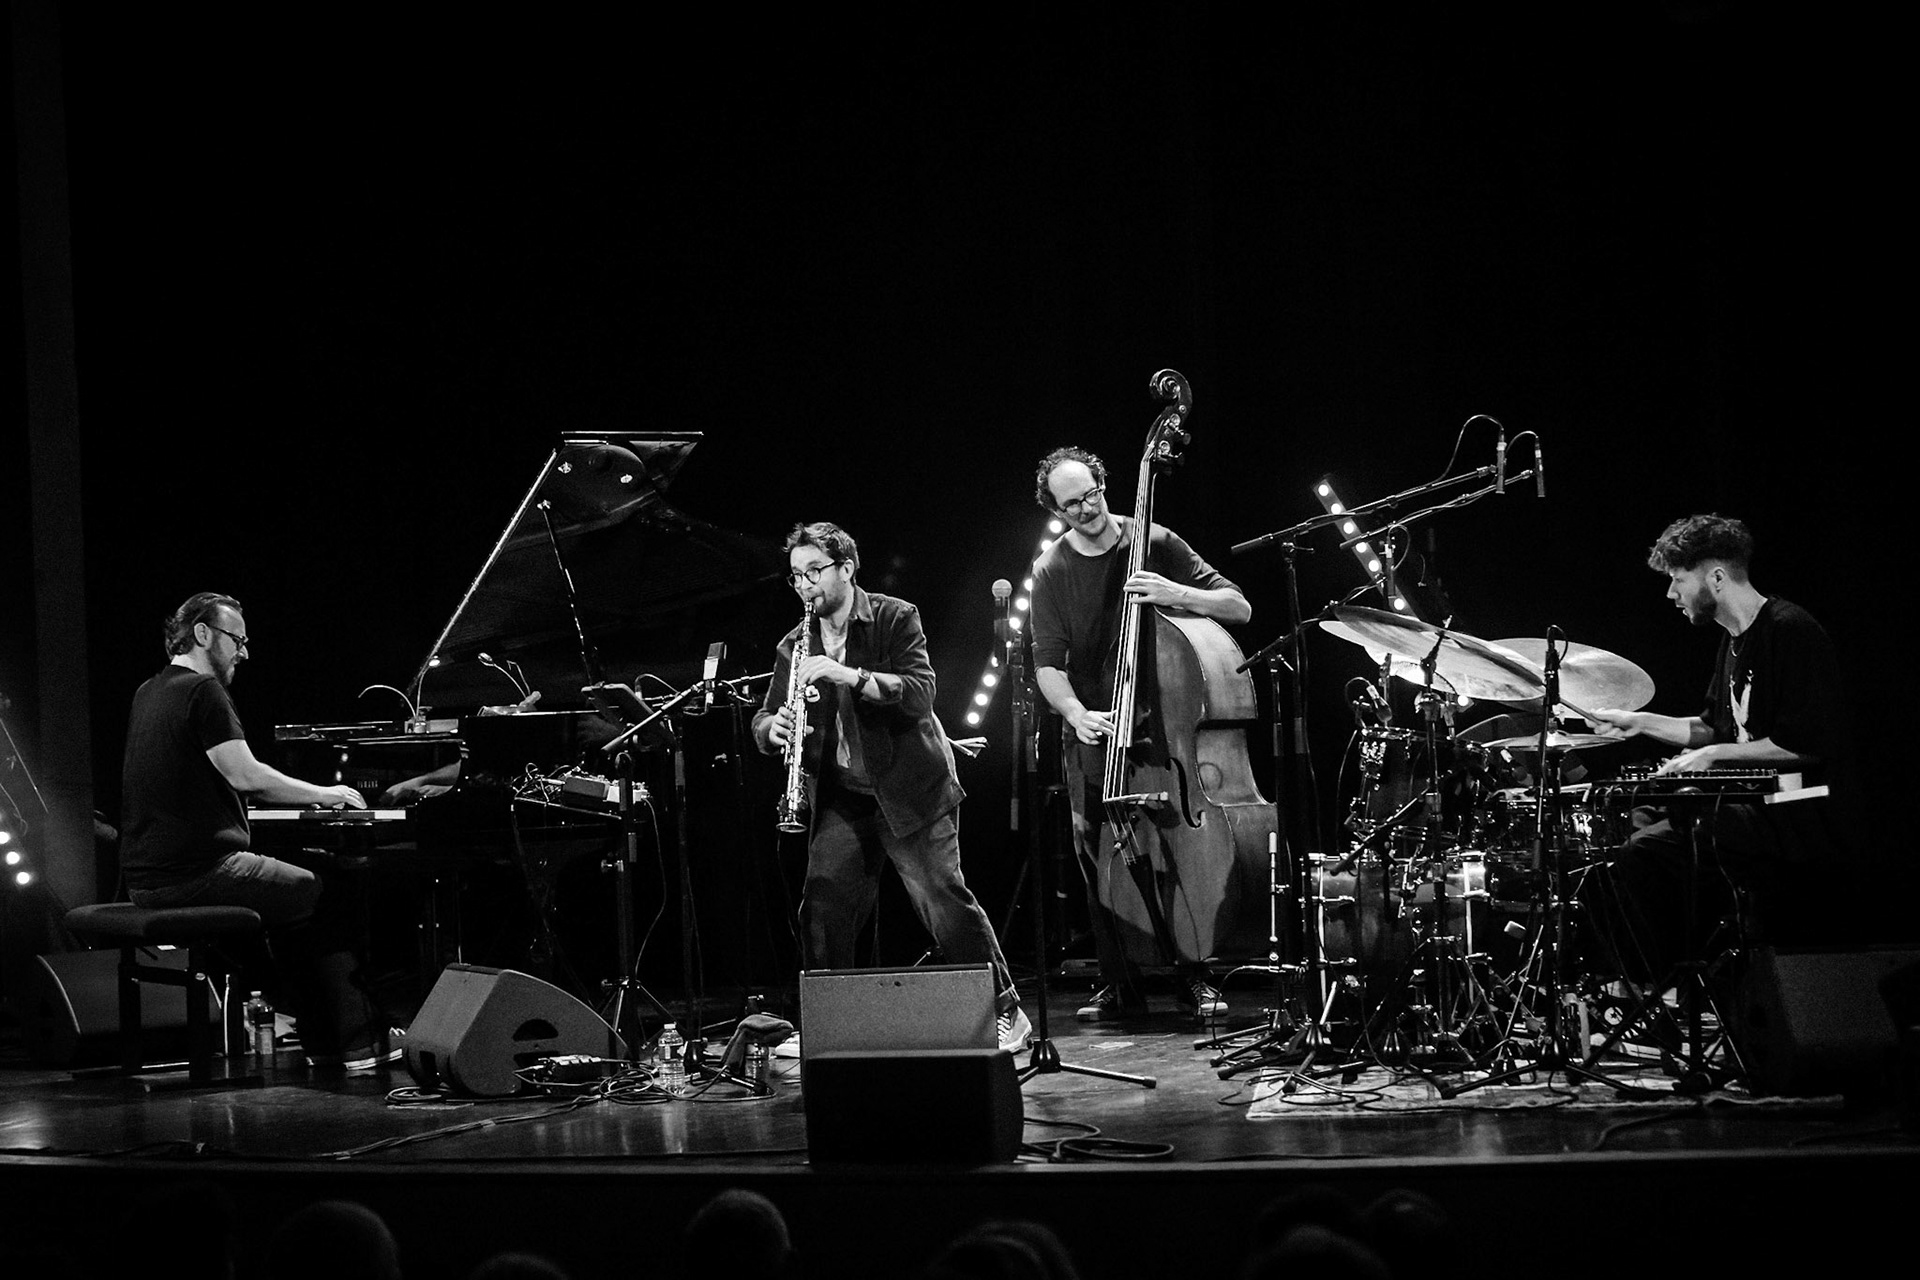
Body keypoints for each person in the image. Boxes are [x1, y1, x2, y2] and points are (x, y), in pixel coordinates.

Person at [752, 522, 1031, 1053]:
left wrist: (848, 675)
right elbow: (764, 716)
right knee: (823, 903)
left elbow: (920, 693)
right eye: (796, 577)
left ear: (847, 568)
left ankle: (1005, 1009)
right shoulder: (794, 643)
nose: (806, 585)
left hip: (909, 788)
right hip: (842, 794)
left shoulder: (893, 616)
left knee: (941, 899)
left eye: (815, 571)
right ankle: (831, 1024)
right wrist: (774, 729)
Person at [118, 591, 394, 1069]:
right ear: (202, 634)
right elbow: (248, 777)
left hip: (145, 880)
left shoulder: (149, 691)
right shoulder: (203, 691)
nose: (244, 653)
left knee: (290, 899)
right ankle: (357, 1043)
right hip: (197, 873)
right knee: (318, 889)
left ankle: (323, 1039)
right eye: (236, 640)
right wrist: (326, 793)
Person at [1028, 447, 1252, 1021]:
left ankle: (1194, 971)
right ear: (1055, 509)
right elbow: (1048, 665)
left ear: (1105, 484)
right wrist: (1075, 713)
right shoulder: (1051, 570)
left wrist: (1179, 594)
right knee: (1096, 854)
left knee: (1181, 849)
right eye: (1071, 503)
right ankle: (1118, 978)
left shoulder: (1154, 541)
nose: (1087, 509)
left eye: (1092, 494)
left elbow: (1238, 606)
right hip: (1097, 735)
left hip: (1169, 734)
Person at [1587, 515, 1858, 983]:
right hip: (1756, 805)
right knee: (1631, 826)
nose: (1671, 594)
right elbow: (1715, 729)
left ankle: (1666, 985)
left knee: (1646, 852)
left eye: (1678, 580)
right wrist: (1638, 721)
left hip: (1798, 808)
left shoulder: (1789, 630)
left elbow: (1808, 745)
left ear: (1715, 576)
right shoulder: (1733, 644)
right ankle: (1643, 986)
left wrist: (1713, 757)